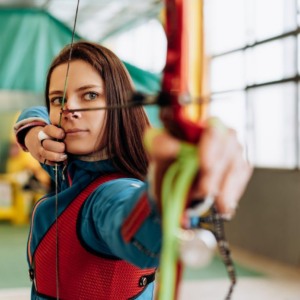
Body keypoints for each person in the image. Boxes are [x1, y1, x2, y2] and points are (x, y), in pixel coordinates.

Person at [14, 42, 252, 300]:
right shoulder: (66, 166)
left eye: (90, 95)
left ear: (120, 103)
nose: (67, 110)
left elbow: (133, 225)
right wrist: (33, 132)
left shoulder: (110, 193)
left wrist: (172, 192)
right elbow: (33, 113)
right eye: (57, 99)